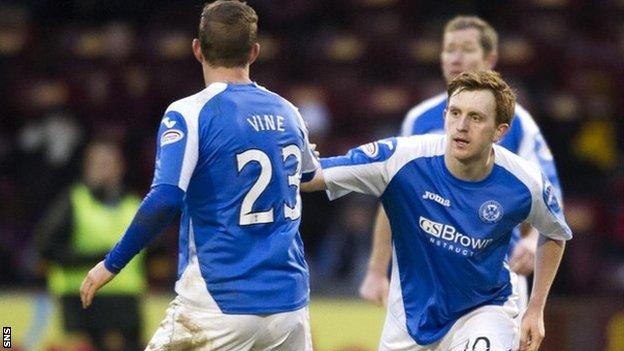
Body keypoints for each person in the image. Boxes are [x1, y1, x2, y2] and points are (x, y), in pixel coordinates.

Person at [79, 1, 318, 350]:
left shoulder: (189, 112)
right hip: (290, 306)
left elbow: (165, 198)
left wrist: (110, 265)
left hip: (220, 301)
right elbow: (311, 176)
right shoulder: (288, 111)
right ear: (253, 52)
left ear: (197, 49)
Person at [302, 70, 571, 351]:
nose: (461, 126)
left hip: (484, 310)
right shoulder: (402, 159)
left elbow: (554, 233)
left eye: (476, 117)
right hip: (410, 320)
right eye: (455, 113)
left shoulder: (524, 180)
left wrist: (536, 308)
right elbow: (314, 176)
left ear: (500, 131)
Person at [359, 16, 563, 316]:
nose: (455, 57)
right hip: (425, 276)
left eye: (466, 49)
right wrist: (377, 269)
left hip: (494, 276)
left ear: (489, 58)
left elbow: (547, 194)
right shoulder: (419, 118)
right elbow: (396, 194)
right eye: (449, 49)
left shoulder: (518, 122)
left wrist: (532, 241)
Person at [35, 139, 145, 351]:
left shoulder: (136, 204)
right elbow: (46, 248)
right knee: (8, 339)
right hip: (81, 302)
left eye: (109, 164)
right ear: (87, 168)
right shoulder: (73, 200)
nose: (104, 171)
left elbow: (158, 255)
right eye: (98, 164)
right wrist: (98, 260)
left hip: (125, 305)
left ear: (121, 167)